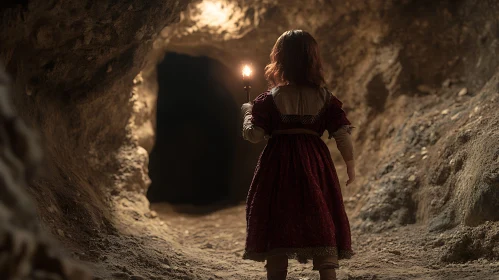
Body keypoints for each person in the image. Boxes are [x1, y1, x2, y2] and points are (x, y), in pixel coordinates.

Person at [240, 30, 355, 280]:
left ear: (279, 61)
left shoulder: (268, 100)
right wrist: (350, 165)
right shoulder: (326, 99)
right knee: (320, 212)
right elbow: (342, 134)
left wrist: (248, 113)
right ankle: (327, 271)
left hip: (278, 163)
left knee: (276, 215)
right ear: (314, 60)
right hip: (316, 164)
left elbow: (254, 136)